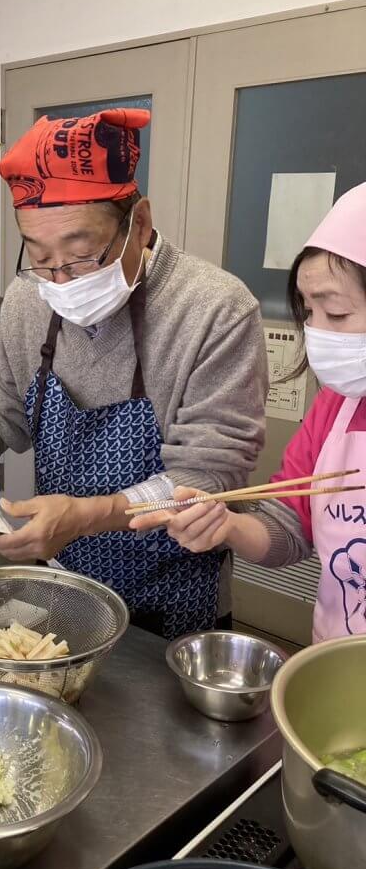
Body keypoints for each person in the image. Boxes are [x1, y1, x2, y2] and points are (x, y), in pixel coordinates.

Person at [0, 110, 268, 639]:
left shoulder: (214, 309)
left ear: (140, 223)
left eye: (83, 256)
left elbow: (208, 477)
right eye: (41, 258)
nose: (61, 281)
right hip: (64, 580)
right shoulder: (28, 299)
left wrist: (87, 516)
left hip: (173, 592)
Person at [130, 183, 366, 643]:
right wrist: (227, 525)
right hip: (336, 665)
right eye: (308, 311)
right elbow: (290, 528)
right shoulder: (337, 406)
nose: (316, 332)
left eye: (336, 313)